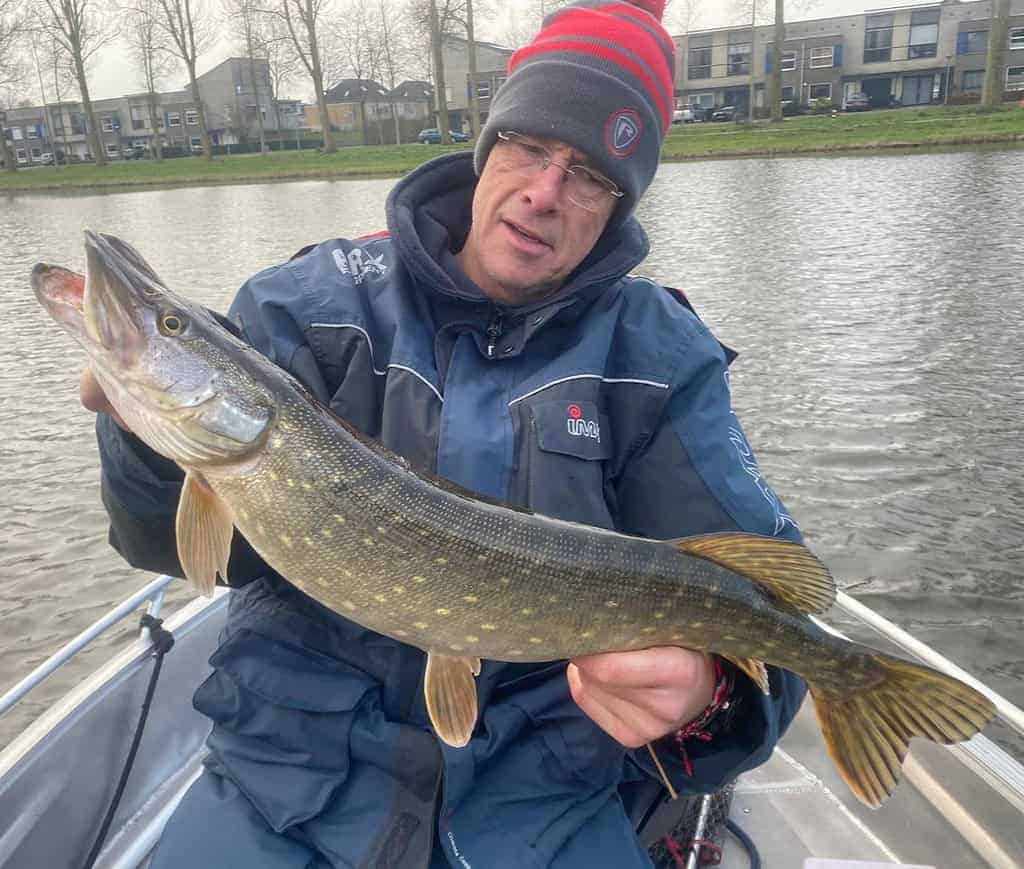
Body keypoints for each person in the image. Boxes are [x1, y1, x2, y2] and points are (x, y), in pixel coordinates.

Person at [83, 0, 805, 865]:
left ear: (619, 205)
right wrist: (147, 443)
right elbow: (177, 548)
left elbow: (779, 617)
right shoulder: (311, 305)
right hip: (283, 778)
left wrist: (709, 696)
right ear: (487, 144)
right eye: (529, 146)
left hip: (544, 804)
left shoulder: (659, 360)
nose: (544, 192)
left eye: (589, 175)